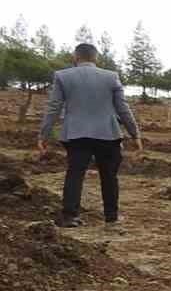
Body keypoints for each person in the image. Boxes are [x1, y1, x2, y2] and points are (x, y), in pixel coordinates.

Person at [37, 42, 142, 227]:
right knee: (109, 175)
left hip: (76, 134)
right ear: (96, 58)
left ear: (75, 57)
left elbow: (54, 107)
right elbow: (123, 108)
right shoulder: (111, 77)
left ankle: (70, 217)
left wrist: (43, 135)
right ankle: (111, 217)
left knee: (75, 173)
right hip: (108, 134)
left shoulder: (63, 76)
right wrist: (135, 134)